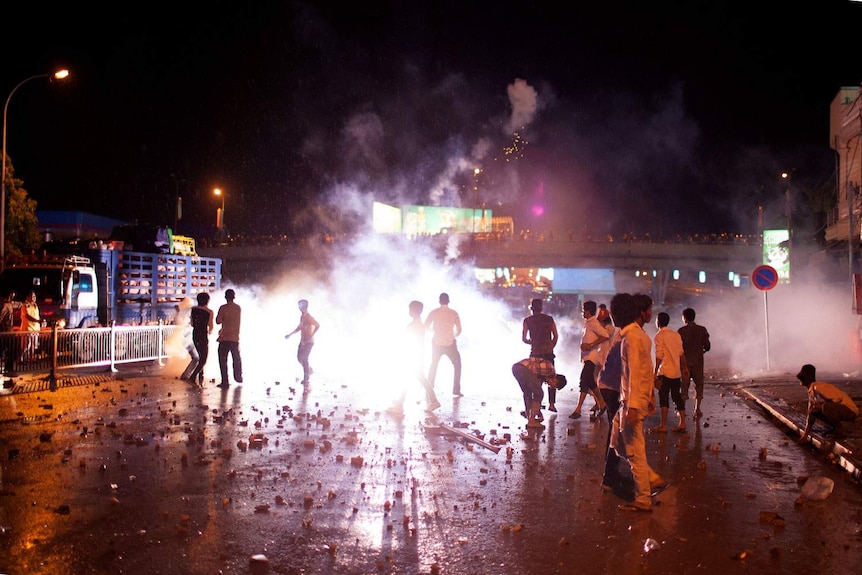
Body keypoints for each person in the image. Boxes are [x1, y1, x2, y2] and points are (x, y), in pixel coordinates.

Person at [612, 292, 668, 512]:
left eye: (616, 313)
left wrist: (634, 405)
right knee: (617, 442)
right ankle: (651, 478)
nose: (614, 318)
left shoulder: (633, 338)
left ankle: (643, 498)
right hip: (629, 401)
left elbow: (635, 372)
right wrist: (650, 397)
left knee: (635, 451)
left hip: (630, 403)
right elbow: (644, 372)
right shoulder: (635, 335)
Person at [796, 364, 859, 441]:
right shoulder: (811, 393)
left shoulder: (818, 387)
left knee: (826, 407)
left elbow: (837, 399)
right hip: (840, 410)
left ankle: (840, 430)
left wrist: (821, 406)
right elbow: (810, 415)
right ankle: (835, 427)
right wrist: (805, 435)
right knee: (813, 410)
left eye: (801, 378)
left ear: (805, 379)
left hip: (850, 411)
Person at [569, 300, 608, 419]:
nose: (582, 313)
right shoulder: (588, 323)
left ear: (588, 311)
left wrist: (591, 345)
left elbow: (605, 335)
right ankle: (602, 403)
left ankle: (578, 409)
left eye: (583, 310)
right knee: (590, 382)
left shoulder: (593, 323)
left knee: (584, 381)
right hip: (587, 357)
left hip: (592, 357)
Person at [652, 312, 689, 433]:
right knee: (676, 397)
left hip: (665, 372)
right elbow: (681, 353)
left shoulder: (659, 335)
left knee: (663, 397)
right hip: (676, 372)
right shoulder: (676, 335)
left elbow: (659, 355)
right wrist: (685, 368)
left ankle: (663, 425)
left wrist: (655, 371)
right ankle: (682, 423)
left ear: (658, 322)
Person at [522, 298, 559, 412]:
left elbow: (524, 339)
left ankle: (535, 407)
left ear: (531, 308)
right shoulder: (549, 319)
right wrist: (550, 346)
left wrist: (533, 342)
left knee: (535, 380)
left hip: (535, 353)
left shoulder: (527, 320)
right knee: (551, 378)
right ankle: (551, 404)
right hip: (548, 352)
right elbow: (555, 336)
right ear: (541, 308)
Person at [512, 356, 566, 429]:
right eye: (554, 386)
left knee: (527, 393)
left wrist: (538, 411)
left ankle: (530, 419)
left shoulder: (545, 375)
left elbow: (533, 392)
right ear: (556, 380)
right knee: (539, 394)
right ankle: (532, 421)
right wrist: (537, 411)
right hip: (523, 368)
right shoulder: (550, 370)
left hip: (516, 368)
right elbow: (537, 393)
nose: (551, 386)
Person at [425, 292, 463, 397]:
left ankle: (429, 387)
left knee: (433, 365)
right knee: (457, 365)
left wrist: (435, 331)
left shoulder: (434, 312)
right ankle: (456, 389)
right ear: (449, 301)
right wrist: (452, 335)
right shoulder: (454, 313)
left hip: (437, 343)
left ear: (439, 301)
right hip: (450, 344)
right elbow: (459, 330)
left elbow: (426, 326)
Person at [678, 307, 711, 419]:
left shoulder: (681, 331)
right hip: (698, 362)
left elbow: (678, 349)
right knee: (699, 385)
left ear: (685, 318)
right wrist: (701, 351)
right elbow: (707, 346)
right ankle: (697, 409)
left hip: (685, 364)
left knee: (684, 387)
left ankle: (681, 411)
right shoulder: (702, 330)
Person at [285, 299, 320, 386]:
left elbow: (317, 325)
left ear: (303, 306)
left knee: (304, 359)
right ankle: (309, 370)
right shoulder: (302, 317)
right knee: (299, 358)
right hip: (303, 341)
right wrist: (290, 334)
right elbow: (299, 327)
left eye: (300, 305)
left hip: (308, 342)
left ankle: (306, 379)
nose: (299, 307)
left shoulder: (308, 317)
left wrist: (311, 335)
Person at [215, 288, 242, 388]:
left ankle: (225, 381)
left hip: (224, 338)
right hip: (235, 338)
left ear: (225, 297)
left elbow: (218, 321)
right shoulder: (238, 308)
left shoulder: (223, 308)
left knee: (223, 360)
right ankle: (238, 376)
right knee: (236, 358)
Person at [188, 292, 214, 386]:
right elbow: (210, 326)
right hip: (203, 335)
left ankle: (201, 376)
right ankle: (193, 376)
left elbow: (192, 323)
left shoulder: (193, 309)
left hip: (195, 334)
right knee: (203, 359)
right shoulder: (209, 312)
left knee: (200, 356)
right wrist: (210, 332)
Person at [0, 289, 19, 376]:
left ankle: (9, 368)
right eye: (11, 295)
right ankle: (9, 368)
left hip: (9, 331)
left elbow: (17, 304)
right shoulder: (5, 305)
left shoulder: (9, 304)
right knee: (12, 349)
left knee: (11, 350)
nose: (12, 297)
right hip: (6, 332)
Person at [20, 291, 41, 363]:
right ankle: (21, 359)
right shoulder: (25, 305)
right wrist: (37, 321)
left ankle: (31, 358)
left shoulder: (35, 305)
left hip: (35, 330)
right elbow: (27, 316)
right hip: (27, 329)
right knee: (26, 346)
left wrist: (40, 322)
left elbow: (36, 316)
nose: (34, 298)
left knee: (33, 346)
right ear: (27, 297)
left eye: (35, 296)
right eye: (32, 296)